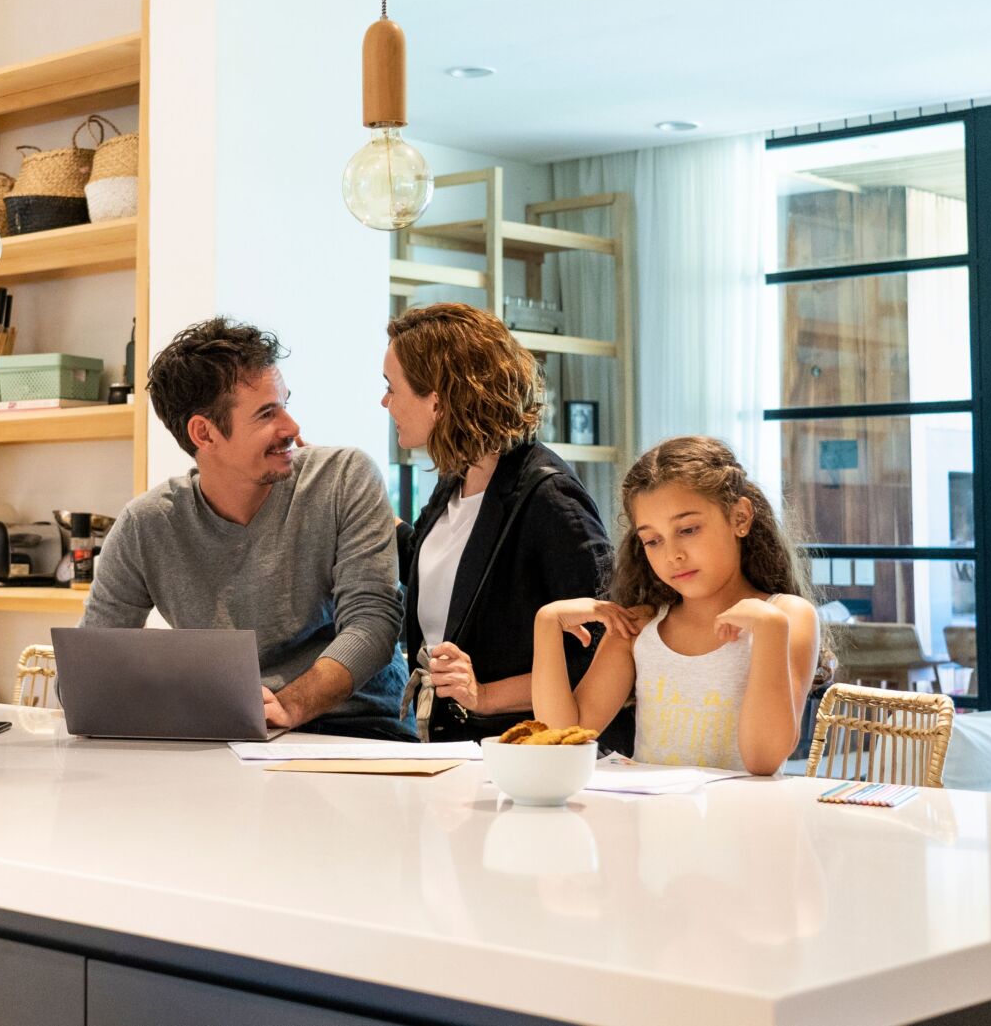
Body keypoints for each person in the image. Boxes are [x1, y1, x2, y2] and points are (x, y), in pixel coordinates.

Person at [80, 317, 411, 740]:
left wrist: (290, 705)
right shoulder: (146, 525)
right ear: (204, 433)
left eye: (286, 404)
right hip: (229, 736)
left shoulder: (344, 477)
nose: (292, 428)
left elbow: (373, 623)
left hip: (359, 730)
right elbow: (91, 670)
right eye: (267, 413)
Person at [384, 302, 616, 744]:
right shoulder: (457, 478)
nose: (385, 401)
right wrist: (350, 497)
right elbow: (442, 576)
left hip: (521, 751)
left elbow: (603, 647)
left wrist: (485, 694)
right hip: (453, 744)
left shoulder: (548, 496)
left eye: (391, 387)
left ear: (437, 398)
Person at [529, 436, 820, 776]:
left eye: (688, 529)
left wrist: (769, 630)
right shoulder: (639, 628)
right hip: (651, 823)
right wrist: (547, 622)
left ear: (740, 517)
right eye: (652, 540)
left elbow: (762, 760)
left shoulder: (786, 616)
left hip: (742, 825)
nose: (673, 555)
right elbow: (562, 741)